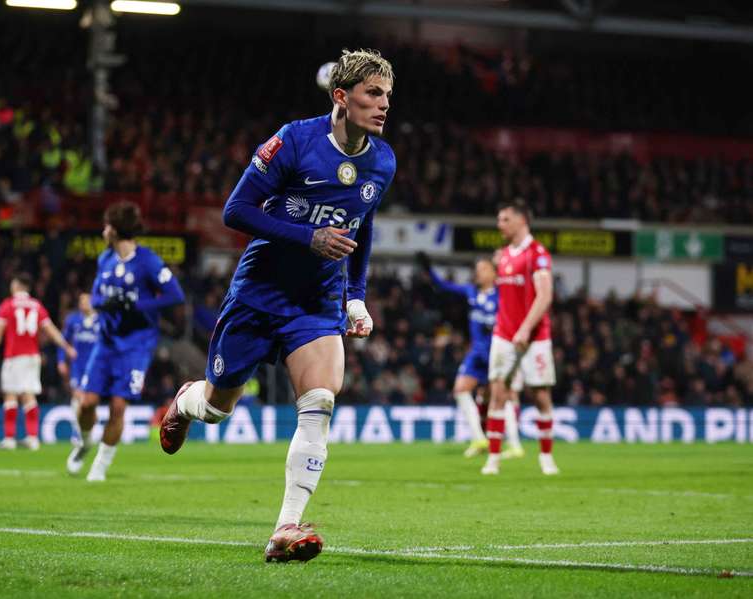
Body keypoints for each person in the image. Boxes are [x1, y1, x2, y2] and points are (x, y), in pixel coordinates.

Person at [158, 48, 395, 563]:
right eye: (373, 94)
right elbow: (235, 210)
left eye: (387, 96)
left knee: (321, 402)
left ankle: (285, 528)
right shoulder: (294, 140)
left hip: (316, 301)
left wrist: (355, 297)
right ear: (341, 96)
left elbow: (364, 227)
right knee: (219, 408)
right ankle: (185, 401)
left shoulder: (383, 160)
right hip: (260, 292)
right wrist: (309, 237)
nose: (383, 106)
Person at [67, 201, 185, 482]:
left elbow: (175, 295)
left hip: (136, 345)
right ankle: (84, 443)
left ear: (116, 230)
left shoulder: (147, 261)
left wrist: (136, 304)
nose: (104, 230)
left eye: (107, 225)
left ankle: (100, 467)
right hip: (106, 342)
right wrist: (104, 303)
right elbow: (96, 297)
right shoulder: (104, 259)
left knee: (118, 406)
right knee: (87, 403)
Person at [416, 253, 524, 459]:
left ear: (494, 273)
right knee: (460, 390)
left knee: (501, 396)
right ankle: (478, 438)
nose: (478, 272)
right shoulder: (471, 291)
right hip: (477, 353)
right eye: (477, 269)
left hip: (497, 352)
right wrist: (428, 269)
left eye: (483, 268)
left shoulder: (502, 295)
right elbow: (444, 286)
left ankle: (515, 445)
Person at [481, 199, 559, 476]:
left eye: (504, 219)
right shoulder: (502, 256)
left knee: (540, 395)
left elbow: (545, 295)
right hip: (504, 335)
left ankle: (546, 457)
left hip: (534, 336)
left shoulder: (537, 254)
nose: (499, 224)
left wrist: (526, 328)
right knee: (498, 393)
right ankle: (493, 459)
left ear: (521, 220)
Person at [0, 272, 76, 450]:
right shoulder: (36, 306)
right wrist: (66, 346)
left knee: (10, 394)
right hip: (33, 356)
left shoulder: (7, 305)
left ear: (16, 285)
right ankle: (32, 438)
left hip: (14, 356)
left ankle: (9, 439)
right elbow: (51, 329)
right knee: (29, 395)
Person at [57, 292, 99, 439]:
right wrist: (61, 360)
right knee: (77, 396)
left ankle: (88, 430)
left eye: (86, 301)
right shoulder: (73, 320)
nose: (83, 304)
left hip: (95, 367)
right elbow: (63, 341)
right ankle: (77, 431)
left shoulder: (101, 321)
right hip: (77, 366)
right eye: (81, 301)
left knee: (89, 401)